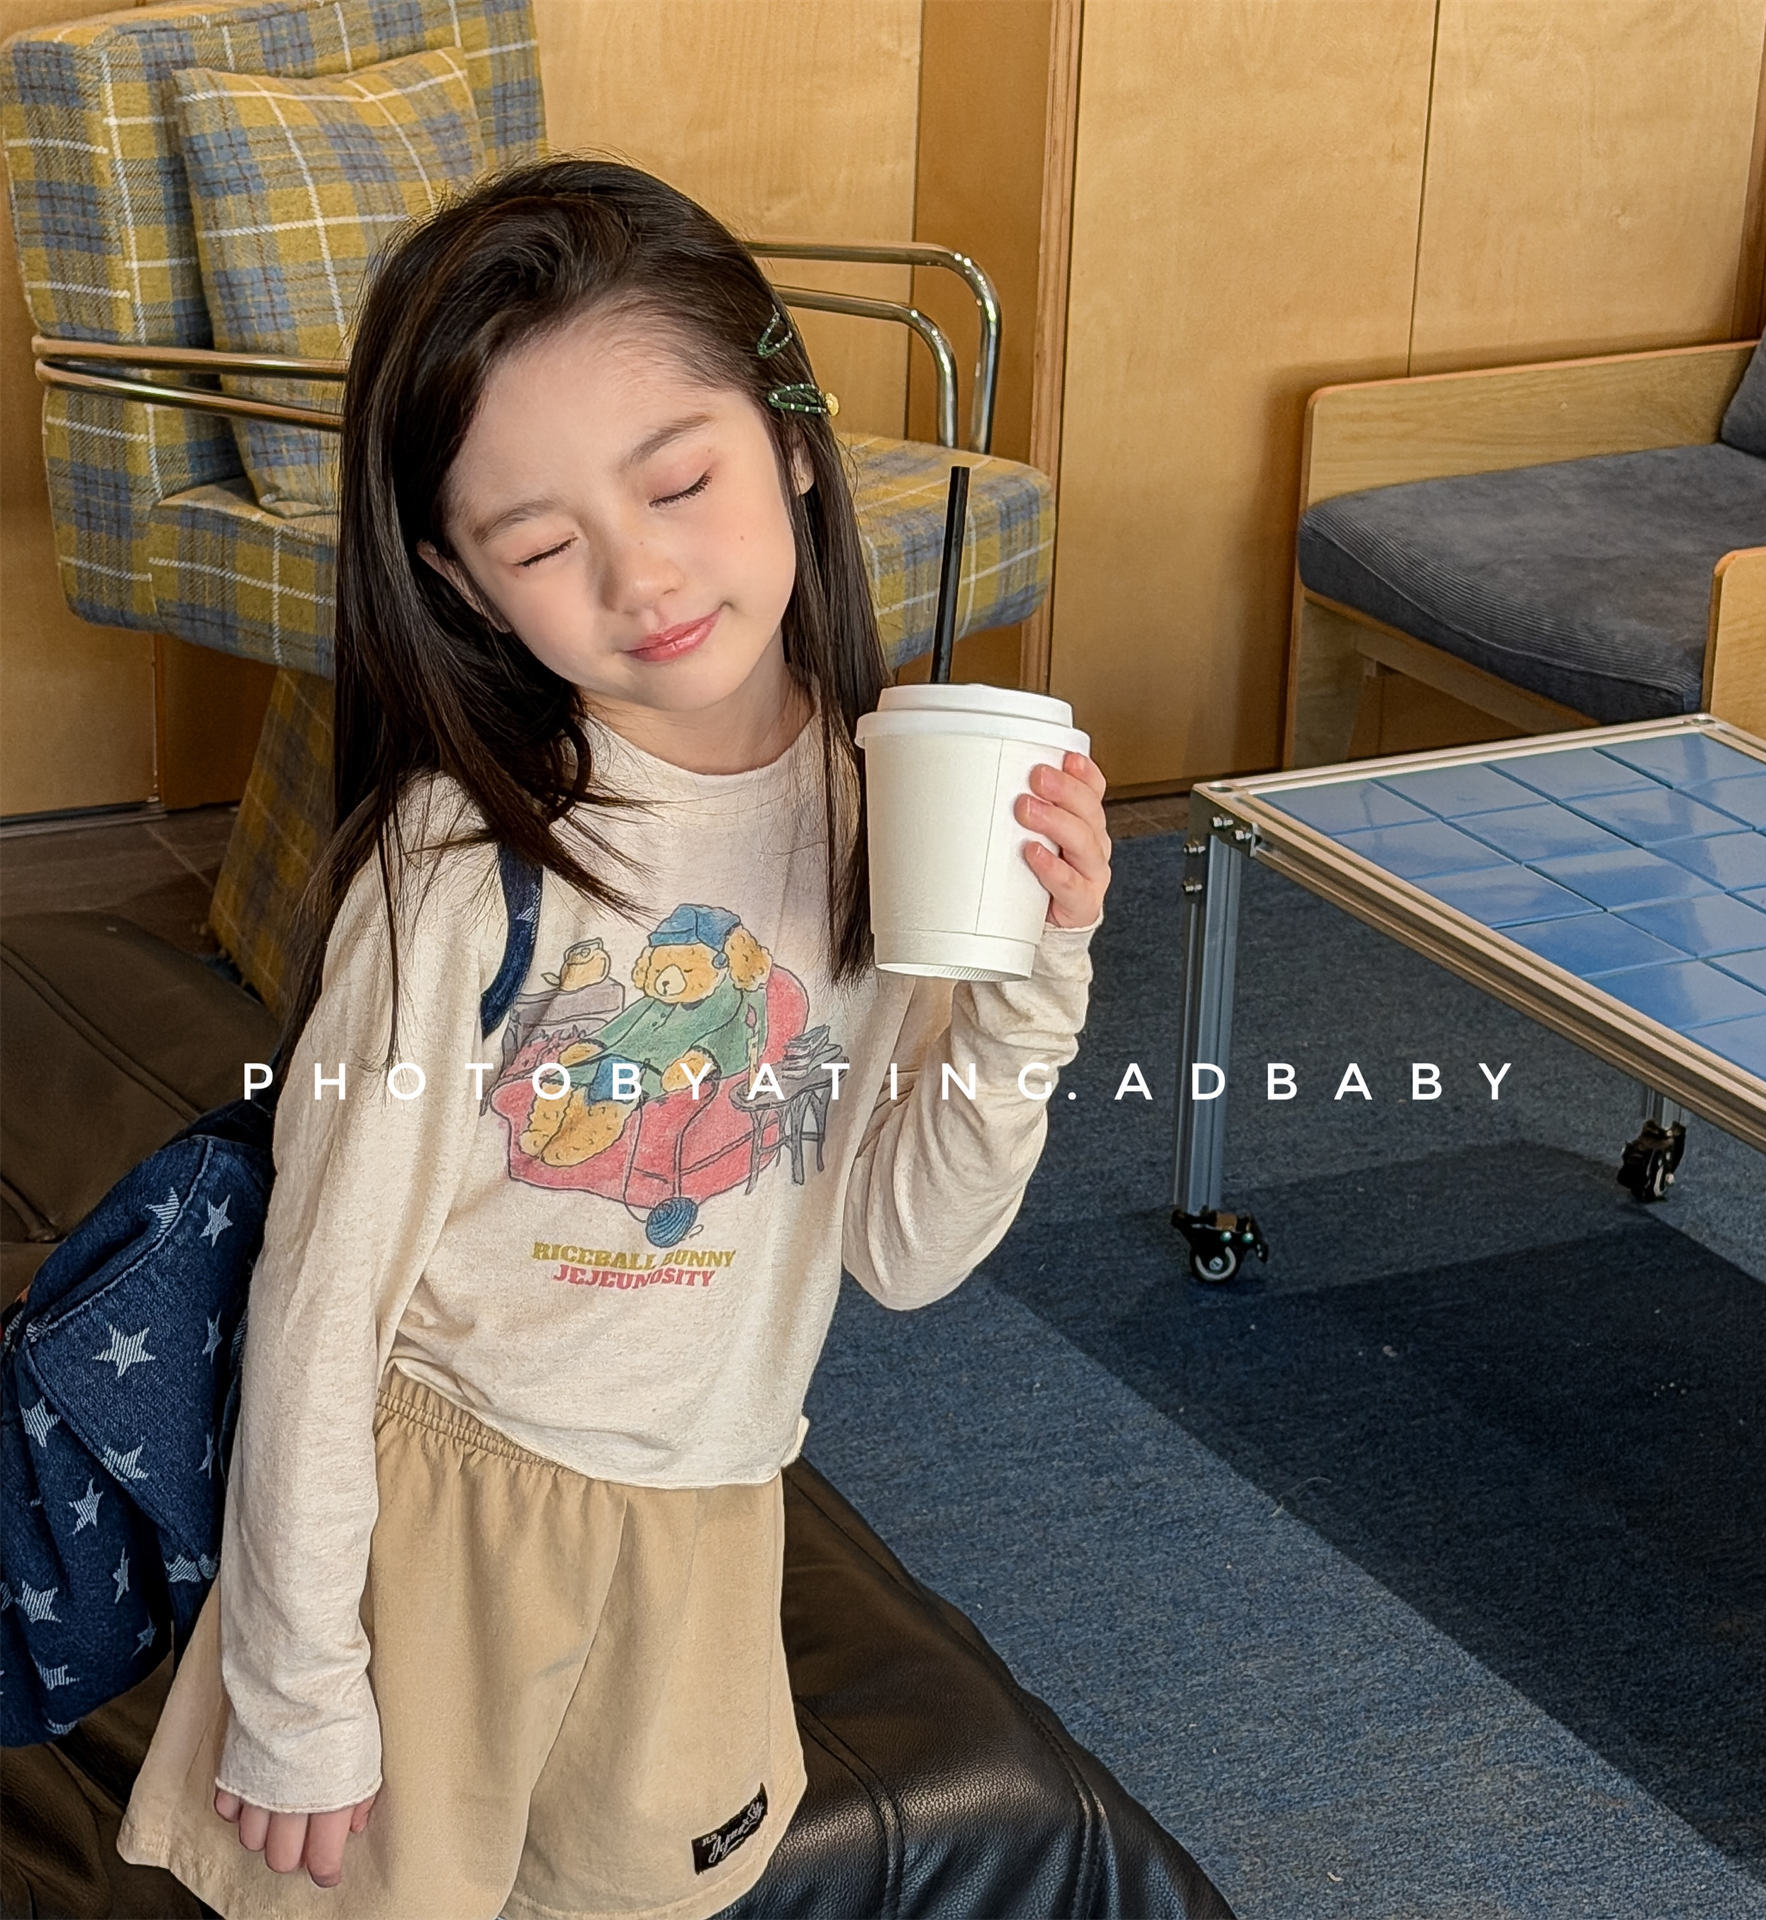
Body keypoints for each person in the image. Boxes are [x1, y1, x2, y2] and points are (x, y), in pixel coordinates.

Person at [113, 157, 1110, 1920]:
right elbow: (323, 1299)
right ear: (461, 580)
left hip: (707, 1519)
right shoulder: (457, 867)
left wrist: (1040, 972)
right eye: (543, 543)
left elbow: (903, 1249)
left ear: (792, 439)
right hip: (435, 1531)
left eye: (679, 480)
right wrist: (295, 1684)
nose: (642, 574)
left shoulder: (881, 809)